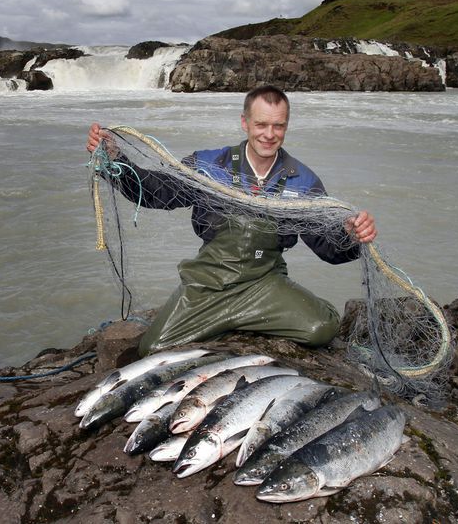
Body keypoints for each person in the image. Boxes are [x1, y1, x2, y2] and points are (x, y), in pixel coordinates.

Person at [86, 85, 377, 356]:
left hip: (264, 282)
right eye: (261, 124)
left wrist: (350, 234)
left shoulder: (303, 181)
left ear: (286, 126)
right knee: (152, 348)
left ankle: (250, 317)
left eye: (278, 125)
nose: (269, 134)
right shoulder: (208, 165)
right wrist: (115, 160)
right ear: (245, 123)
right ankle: (228, 320)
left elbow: (327, 247)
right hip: (208, 283)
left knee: (321, 328)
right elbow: (157, 193)